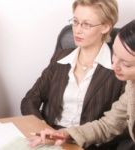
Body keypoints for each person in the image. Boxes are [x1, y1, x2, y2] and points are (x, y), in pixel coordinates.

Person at [21, 0, 127, 149]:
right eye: (75, 22)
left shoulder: (119, 67)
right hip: (50, 138)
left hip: (89, 144)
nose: (77, 30)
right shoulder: (61, 58)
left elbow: (122, 123)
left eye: (86, 24)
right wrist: (44, 129)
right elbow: (29, 100)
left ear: (106, 26)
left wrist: (74, 138)